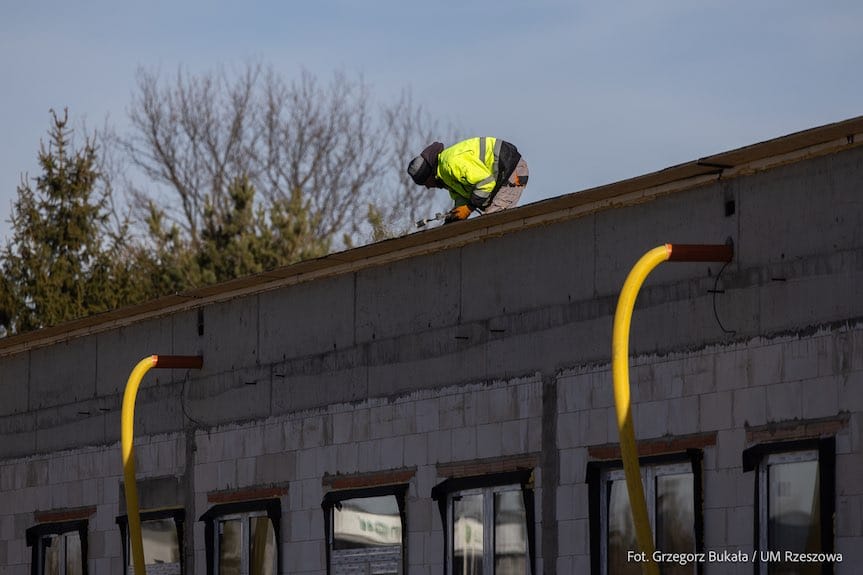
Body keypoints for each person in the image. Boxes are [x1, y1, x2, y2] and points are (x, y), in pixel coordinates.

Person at [407, 137, 528, 223]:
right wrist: (455, 216)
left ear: (429, 175)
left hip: (510, 169)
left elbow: (486, 182)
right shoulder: (444, 175)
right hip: (499, 175)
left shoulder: (450, 164)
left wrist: (469, 207)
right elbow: (462, 198)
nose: (428, 187)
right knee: (488, 221)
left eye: (426, 183)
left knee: (492, 223)